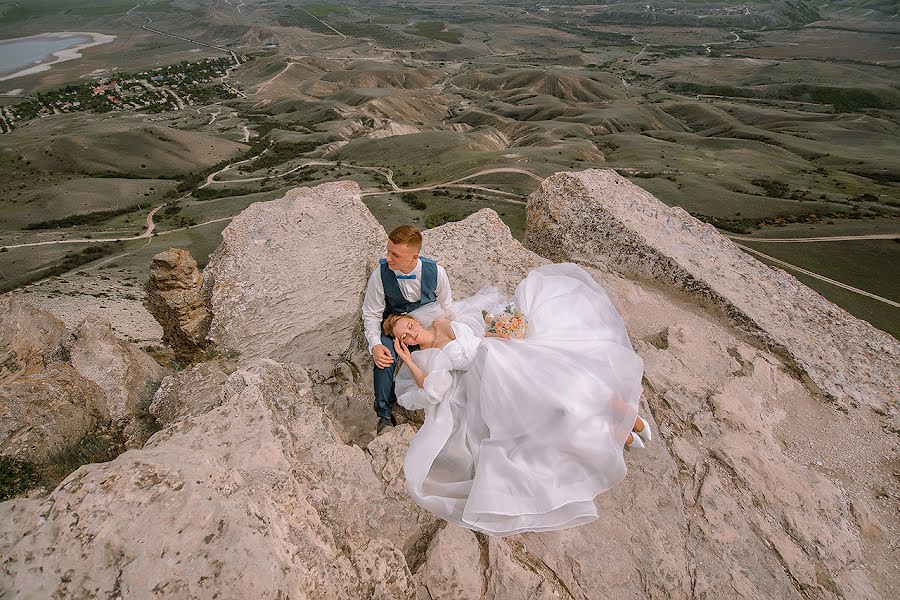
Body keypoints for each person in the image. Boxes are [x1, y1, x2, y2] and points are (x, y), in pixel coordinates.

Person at [384, 263, 648, 536]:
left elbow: (478, 330)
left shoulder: (442, 321)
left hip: (498, 350)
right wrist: (406, 359)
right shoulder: (425, 354)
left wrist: (505, 330)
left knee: (562, 377)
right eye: (404, 337)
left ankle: (623, 414)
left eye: (408, 327)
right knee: (547, 406)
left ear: (414, 320)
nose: (410, 334)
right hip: (486, 377)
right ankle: (615, 433)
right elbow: (433, 389)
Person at [362, 225, 452, 435]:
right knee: (384, 358)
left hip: (422, 329)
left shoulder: (436, 273)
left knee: (433, 361)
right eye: (388, 251)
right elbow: (371, 313)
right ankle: (384, 414)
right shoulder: (380, 275)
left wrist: (437, 338)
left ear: (414, 257)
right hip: (394, 327)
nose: (388, 258)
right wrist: (374, 344)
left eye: (395, 255)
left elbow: (447, 309)